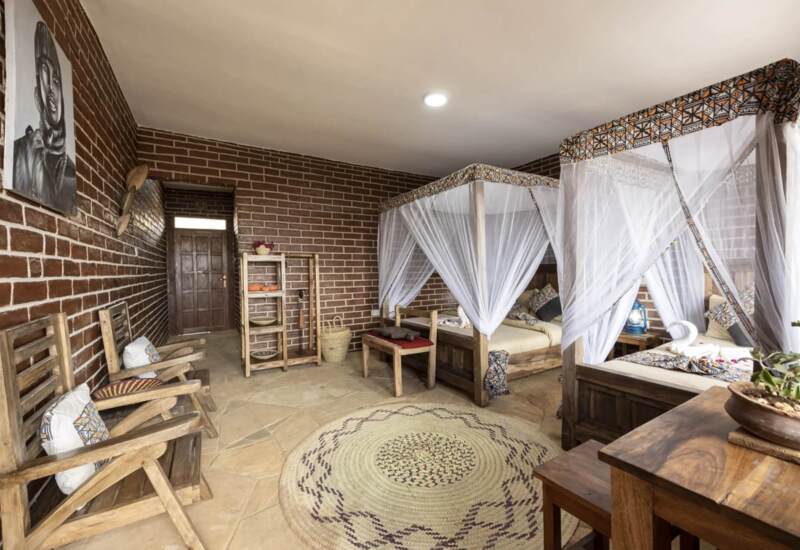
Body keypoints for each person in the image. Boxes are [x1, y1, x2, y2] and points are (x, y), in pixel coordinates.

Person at [13, 21, 76, 214]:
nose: (50, 90)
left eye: (55, 80)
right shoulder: (21, 151)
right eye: (43, 77)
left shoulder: (71, 172)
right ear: (36, 96)